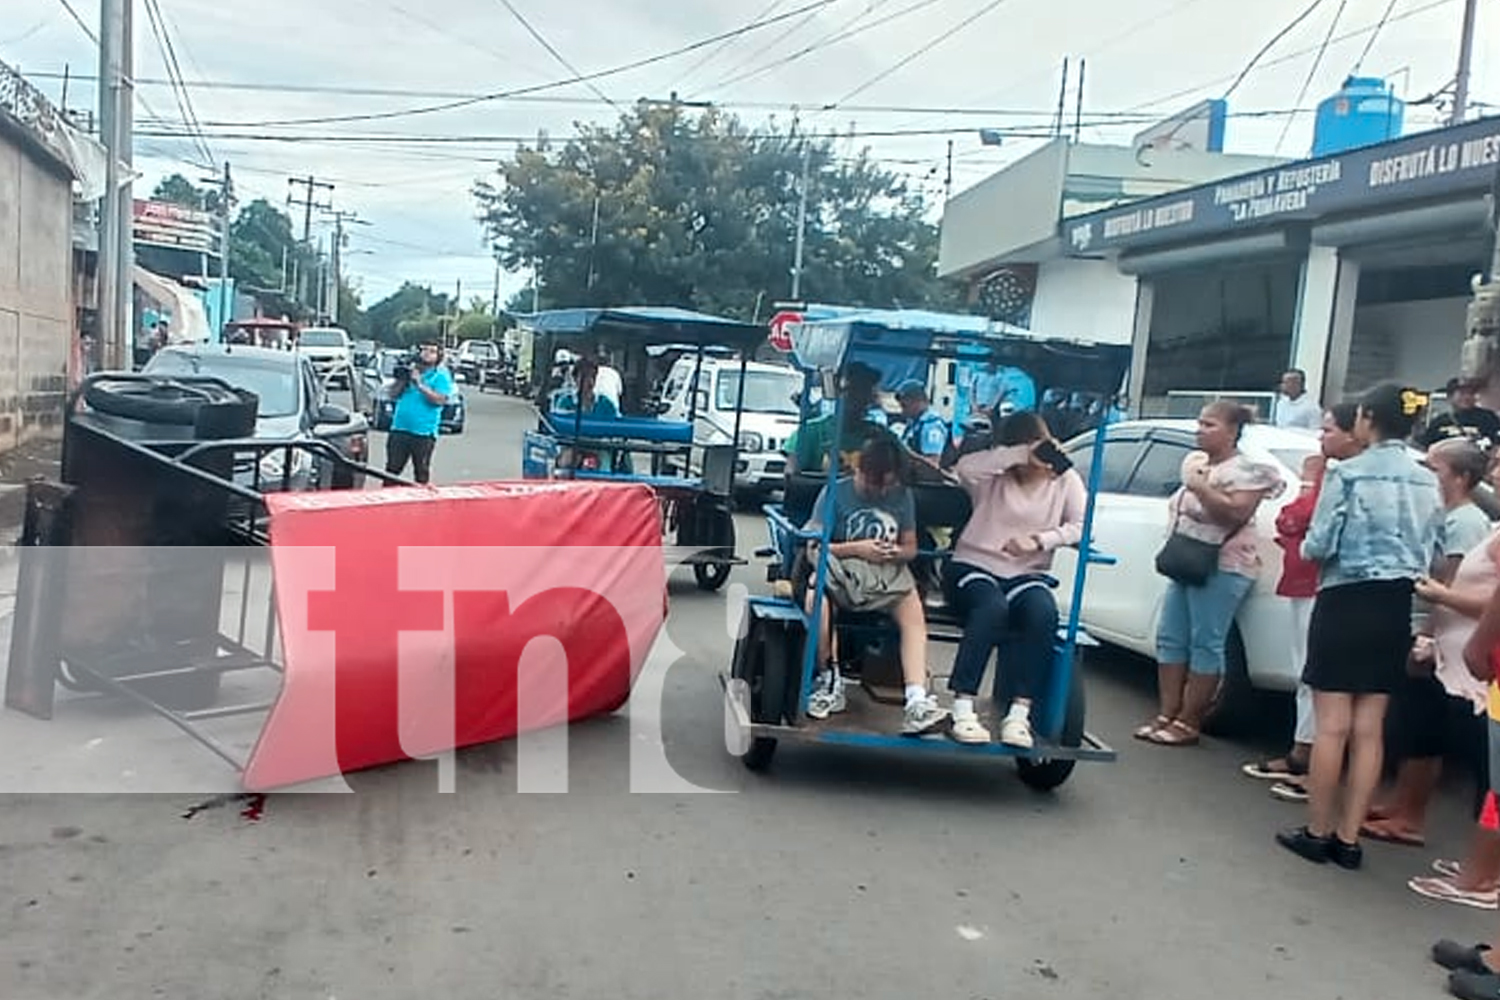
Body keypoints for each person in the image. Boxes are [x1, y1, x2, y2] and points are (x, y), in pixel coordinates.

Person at [1277, 383, 1442, 870]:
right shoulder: (1426, 478)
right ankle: (1350, 840)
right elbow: (1431, 547)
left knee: (1332, 726)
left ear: (1367, 417)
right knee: (1370, 727)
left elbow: (1320, 543)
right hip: (1394, 605)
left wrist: (1306, 544)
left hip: (1345, 600)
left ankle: (1317, 830)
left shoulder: (1348, 473)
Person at [1360, 439, 1494, 849]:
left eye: (1434, 469)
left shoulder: (1466, 523)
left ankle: (1411, 817)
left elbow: (1449, 586)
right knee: (1412, 727)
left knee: (1426, 733)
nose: (1425, 475)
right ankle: (1400, 806)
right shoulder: (1443, 514)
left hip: (1452, 648)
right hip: (1439, 639)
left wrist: (1428, 633)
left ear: (1461, 477)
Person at [1135, 401, 1285, 746]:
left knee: (1206, 642)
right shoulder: (1198, 463)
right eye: (1200, 423)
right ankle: (1167, 713)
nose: (1201, 430)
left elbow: (1233, 514)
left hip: (1225, 566)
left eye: (1210, 425)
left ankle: (1189, 721)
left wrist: (1201, 487)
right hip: (1187, 562)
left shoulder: (1249, 471)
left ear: (1232, 431)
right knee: (1170, 637)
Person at [941, 412, 1086, 747]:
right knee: (991, 608)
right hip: (973, 565)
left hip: (1026, 572)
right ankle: (963, 705)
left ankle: (1020, 713)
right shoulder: (993, 474)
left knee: (1042, 612)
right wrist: (1021, 455)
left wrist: (1040, 540)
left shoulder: (1065, 480)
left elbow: (1081, 525)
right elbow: (963, 468)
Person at [1242, 403, 1364, 799]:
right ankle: (1301, 751)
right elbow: (1288, 521)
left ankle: (1313, 761)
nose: (1321, 437)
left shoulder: (1346, 477)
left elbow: (1299, 521)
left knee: (1318, 676)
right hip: (1302, 580)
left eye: (1329, 430)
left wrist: (1311, 485)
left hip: (1323, 586)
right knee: (1306, 673)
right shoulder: (1334, 472)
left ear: (1356, 432)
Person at [800, 435, 950, 736]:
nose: (881, 491)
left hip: (887, 573)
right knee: (816, 597)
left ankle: (916, 700)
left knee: (913, 610)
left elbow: (910, 547)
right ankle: (830, 676)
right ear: (860, 470)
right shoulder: (835, 493)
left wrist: (896, 553)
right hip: (840, 568)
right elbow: (813, 547)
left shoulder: (902, 497)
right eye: (874, 484)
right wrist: (858, 548)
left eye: (887, 485)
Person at [784, 361, 890, 476]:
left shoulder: (880, 435)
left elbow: (907, 465)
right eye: (853, 390)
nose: (858, 397)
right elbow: (791, 474)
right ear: (839, 392)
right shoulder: (811, 431)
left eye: (864, 390)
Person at [383, 343, 454, 485]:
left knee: (421, 471)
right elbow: (392, 394)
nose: (427, 353)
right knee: (392, 470)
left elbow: (439, 400)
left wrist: (420, 384)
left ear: (438, 357)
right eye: (424, 350)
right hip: (400, 428)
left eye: (432, 351)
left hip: (423, 432)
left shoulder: (440, 377)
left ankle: (422, 502)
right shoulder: (409, 372)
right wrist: (402, 380)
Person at [1423, 377, 1500, 451]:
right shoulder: (1439, 422)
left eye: (1471, 393)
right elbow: (1426, 446)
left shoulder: (1488, 418)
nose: (1467, 397)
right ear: (1450, 397)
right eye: (1462, 393)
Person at [894, 380, 951, 468]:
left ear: (918, 401)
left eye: (905, 406)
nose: (902, 412)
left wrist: (909, 454)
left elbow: (933, 464)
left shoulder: (931, 427)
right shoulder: (915, 424)